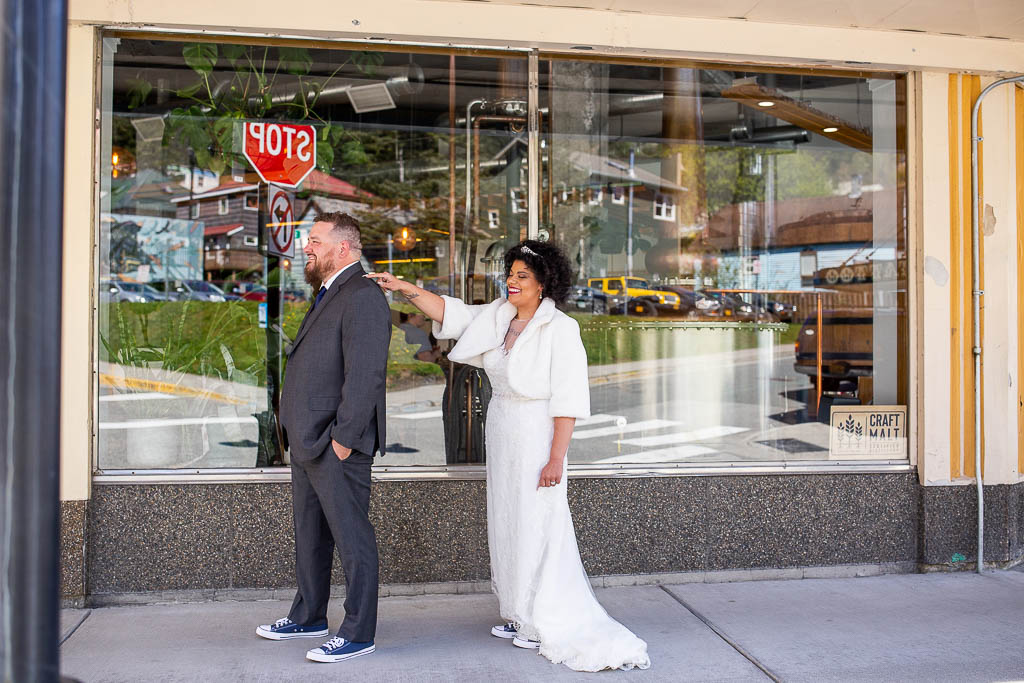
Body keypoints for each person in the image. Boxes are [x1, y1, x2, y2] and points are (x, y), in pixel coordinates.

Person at [367, 240, 650, 672]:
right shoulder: (499, 316)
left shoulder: (561, 329)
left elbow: (568, 400)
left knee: (538, 520)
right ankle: (520, 611)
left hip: (537, 433)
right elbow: (451, 313)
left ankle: (542, 616)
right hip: (502, 429)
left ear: (543, 284)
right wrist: (404, 286)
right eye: (510, 274)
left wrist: (557, 458)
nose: (512, 282)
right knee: (507, 519)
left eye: (522, 276)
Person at [256, 212, 390, 665]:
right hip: (309, 440)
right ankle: (310, 615)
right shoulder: (330, 292)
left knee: (353, 540)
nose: (306, 248)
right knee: (310, 535)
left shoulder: (363, 296)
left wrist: (344, 440)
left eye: (314, 240)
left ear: (344, 248)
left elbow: (366, 375)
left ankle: (357, 633)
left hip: (336, 443)